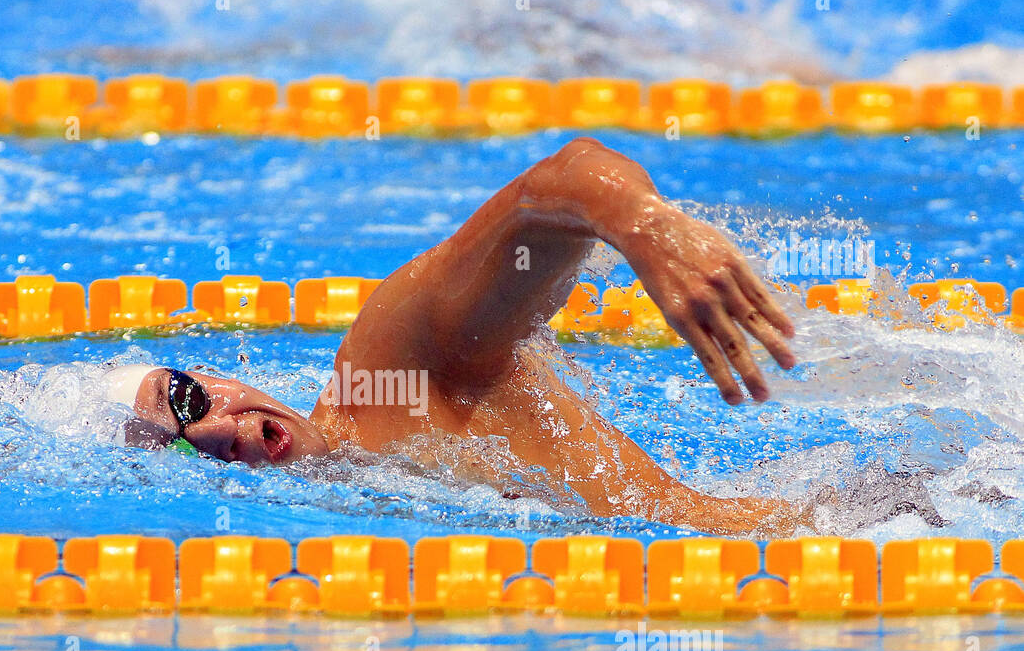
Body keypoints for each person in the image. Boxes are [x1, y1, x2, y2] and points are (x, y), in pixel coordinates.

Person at [104, 137, 803, 533]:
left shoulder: (389, 371)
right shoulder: (351, 529)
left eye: (190, 402)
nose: (211, 435)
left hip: (848, 531)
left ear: (221, 378)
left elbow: (564, 179)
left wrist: (646, 229)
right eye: (182, 452)